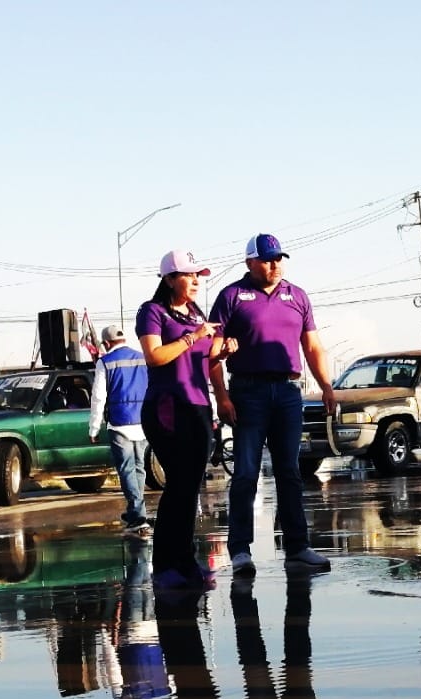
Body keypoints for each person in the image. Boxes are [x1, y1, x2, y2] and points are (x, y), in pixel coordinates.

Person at [208, 234, 335, 576]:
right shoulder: (231, 297)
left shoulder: (297, 296)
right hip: (248, 392)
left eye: (278, 258)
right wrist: (221, 395)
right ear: (250, 262)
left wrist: (326, 386)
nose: (274, 265)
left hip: (288, 391)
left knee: (290, 471)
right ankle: (239, 550)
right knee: (247, 472)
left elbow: (312, 347)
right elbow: (212, 352)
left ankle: (297, 546)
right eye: (266, 259)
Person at [135, 249, 234, 591]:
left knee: (191, 487)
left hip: (198, 405)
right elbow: (155, 355)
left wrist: (221, 350)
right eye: (188, 275)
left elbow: (206, 359)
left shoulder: (195, 313)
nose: (195, 281)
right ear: (168, 279)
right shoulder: (153, 312)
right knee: (177, 485)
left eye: (198, 276)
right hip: (167, 407)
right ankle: (165, 566)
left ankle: (187, 561)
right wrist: (192, 337)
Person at [89, 323, 152, 536]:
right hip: (143, 421)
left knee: (126, 469)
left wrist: (94, 427)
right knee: (139, 467)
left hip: (120, 422)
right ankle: (135, 511)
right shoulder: (143, 358)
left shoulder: (104, 362)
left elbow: (98, 397)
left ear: (106, 343)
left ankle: (138, 515)